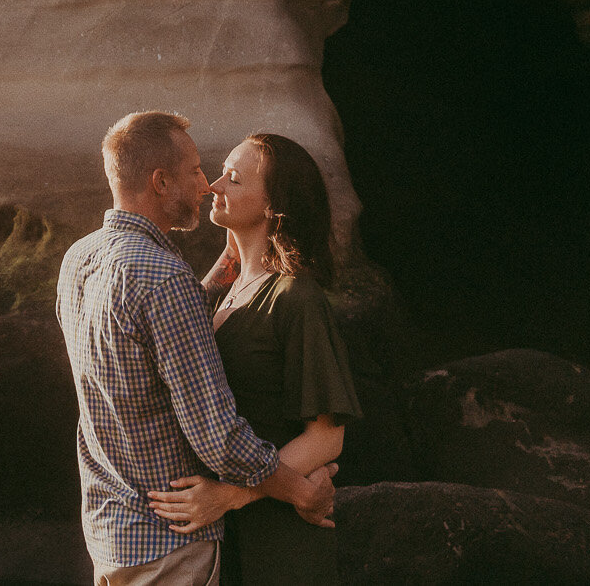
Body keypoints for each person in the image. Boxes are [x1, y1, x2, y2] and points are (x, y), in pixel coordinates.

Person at [58, 112, 337, 586]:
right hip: (170, 545)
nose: (206, 185)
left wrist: (235, 258)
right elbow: (218, 438)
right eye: (194, 171)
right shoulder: (166, 281)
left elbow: (160, 331)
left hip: (110, 537)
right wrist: (298, 492)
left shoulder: (79, 258)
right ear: (160, 181)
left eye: (229, 176)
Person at [146, 133, 362, 586]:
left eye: (236, 179)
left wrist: (228, 496)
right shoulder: (224, 294)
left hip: (279, 540)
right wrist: (232, 258)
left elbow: (327, 440)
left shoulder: (296, 297)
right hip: (224, 535)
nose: (214, 185)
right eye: (221, 171)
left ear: (272, 206)